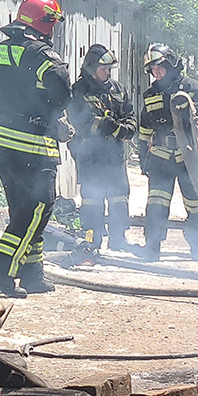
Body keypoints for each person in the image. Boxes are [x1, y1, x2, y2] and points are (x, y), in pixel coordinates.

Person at [0, 0, 72, 297]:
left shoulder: (2, 49)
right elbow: (62, 94)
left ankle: (32, 275)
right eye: (52, 22)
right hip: (34, 145)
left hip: (4, 143)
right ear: (44, 22)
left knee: (23, 209)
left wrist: (13, 103)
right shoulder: (44, 55)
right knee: (36, 209)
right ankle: (0, 270)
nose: (54, 29)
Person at [135, 43, 198, 261]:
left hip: (188, 156)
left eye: (159, 67)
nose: (155, 73)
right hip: (160, 157)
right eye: (152, 70)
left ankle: (197, 247)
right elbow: (144, 128)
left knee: (194, 204)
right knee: (156, 203)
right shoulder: (150, 94)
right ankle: (152, 247)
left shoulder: (193, 88)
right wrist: (143, 157)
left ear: (170, 63)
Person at [68, 44, 136, 251]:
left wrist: (124, 130)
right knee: (92, 199)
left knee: (119, 197)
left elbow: (130, 116)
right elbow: (78, 121)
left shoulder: (117, 89)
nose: (107, 73)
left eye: (109, 69)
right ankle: (92, 239)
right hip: (90, 156)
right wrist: (102, 125)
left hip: (114, 156)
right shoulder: (78, 91)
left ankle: (118, 239)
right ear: (91, 68)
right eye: (103, 69)